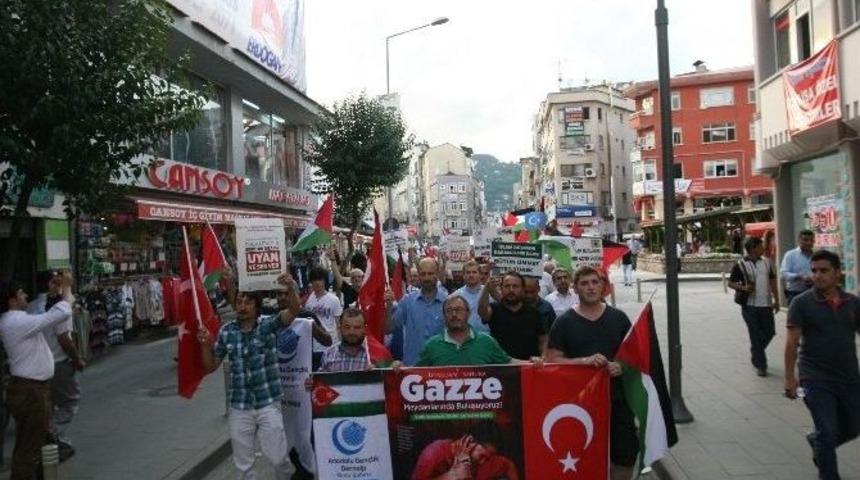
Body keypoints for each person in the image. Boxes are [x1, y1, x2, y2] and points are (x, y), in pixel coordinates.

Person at [198, 273, 301, 479]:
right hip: (239, 406)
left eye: (247, 302)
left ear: (256, 305)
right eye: (238, 302)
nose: (242, 306)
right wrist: (205, 345)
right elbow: (210, 367)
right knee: (243, 465)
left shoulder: (268, 324)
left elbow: (293, 310)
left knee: (278, 457)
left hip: (267, 402)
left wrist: (291, 289)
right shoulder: (227, 332)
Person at [544, 266, 638, 480]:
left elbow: (635, 356)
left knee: (626, 457)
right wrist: (583, 362)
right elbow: (552, 360)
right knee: (582, 460)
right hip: (579, 407)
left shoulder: (619, 318)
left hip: (618, 402)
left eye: (595, 282)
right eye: (584, 283)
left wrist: (621, 366)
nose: (591, 287)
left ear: (603, 286)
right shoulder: (564, 322)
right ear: (575, 288)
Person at [784, 250, 860, 480]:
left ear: (837, 273)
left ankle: (818, 443)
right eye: (814, 270)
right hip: (814, 377)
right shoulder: (801, 303)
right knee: (828, 430)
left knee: (853, 427)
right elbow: (791, 343)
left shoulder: (853, 303)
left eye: (824, 271)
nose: (817, 275)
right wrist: (790, 378)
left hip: (849, 376)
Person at [0, 273, 75, 479]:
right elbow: (59, 314)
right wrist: (66, 290)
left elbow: (45, 314)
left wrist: (53, 294)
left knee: (37, 441)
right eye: (21, 293)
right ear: (12, 300)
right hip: (30, 390)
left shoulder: (17, 319)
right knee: (29, 447)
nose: (25, 296)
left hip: (32, 388)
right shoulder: (15, 321)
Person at [27, 270, 85, 461]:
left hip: (37, 365)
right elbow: (64, 339)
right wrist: (77, 359)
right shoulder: (59, 308)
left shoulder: (31, 307)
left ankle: (46, 438)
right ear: (52, 284)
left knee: (48, 404)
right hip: (59, 362)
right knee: (70, 402)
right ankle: (52, 437)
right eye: (58, 281)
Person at [417, 295, 541, 367]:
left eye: (459, 309)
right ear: (444, 316)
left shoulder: (486, 342)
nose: (454, 314)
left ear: (468, 313)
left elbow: (508, 363)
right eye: (449, 311)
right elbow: (413, 374)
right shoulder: (432, 345)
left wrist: (531, 363)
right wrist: (399, 369)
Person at [728, 236, 780, 377]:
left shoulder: (767, 263)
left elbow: (773, 281)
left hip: (766, 304)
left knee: (770, 332)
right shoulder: (740, 265)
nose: (764, 247)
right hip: (749, 306)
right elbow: (731, 283)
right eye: (761, 246)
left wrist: (777, 299)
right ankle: (761, 365)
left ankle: (756, 352)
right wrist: (744, 288)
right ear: (753, 248)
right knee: (755, 334)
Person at [385, 257, 447, 366]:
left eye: (430, 273)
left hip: (439, 368)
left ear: (437, 274)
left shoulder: (448, 302)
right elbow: (388, 329)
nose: (426, 277)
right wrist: (389, 306)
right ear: (418, 275)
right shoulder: (407, 301)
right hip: (413, 369)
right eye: (423, 274)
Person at [411, 420, 519, 480]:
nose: (483, 462)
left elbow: (508, 465)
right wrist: (451, 476)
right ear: (470, 442)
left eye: (487, 458)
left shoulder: (486, 460)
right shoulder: (434, 452)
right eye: (482, 456)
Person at [478, 271, 547, 361]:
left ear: (522, 289)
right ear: (501, 288)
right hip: (501, 365)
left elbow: (543, 340)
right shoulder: (494, 309)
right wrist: (486, 289)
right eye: (507, 286)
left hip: (528, 366)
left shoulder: (534, 313)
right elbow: (483, 312)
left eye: (515, 286)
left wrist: (543, 358)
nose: (511, 290)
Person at [318, 308, 386, 372]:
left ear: (365, 329)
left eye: (357, 327)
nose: (351, 332)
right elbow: (320, 382)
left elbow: (390, 375)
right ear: (340, 328)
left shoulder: (377, 354)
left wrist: (394, 366)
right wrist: (311, 382)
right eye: (347, 327)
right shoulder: (328, 354)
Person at [303, 266, 343, 366]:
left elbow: (338, 324)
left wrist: (341, 344)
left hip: (330, 345)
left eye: (320, 279)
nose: (317, 282)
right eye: (314, 280)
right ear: (311, 282)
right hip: (312, 346)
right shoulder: (307, 300)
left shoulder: (334, 300)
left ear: (324, 280)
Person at [454, 260, 490, 334]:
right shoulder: (456, 296)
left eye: (474, 272)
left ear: (480, 275)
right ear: (463, 276)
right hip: (464, 338)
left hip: (486, 337)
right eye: (468, 272)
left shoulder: (489, 292)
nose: (471, 275)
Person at [781, 229, 815, 305]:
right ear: (799, 240)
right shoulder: (791, 255)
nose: (809, 243)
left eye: (811, 240)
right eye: (805, 240)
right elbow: (784, 274)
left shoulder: (816, 256)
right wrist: (799, 277)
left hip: (813, 293)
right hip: (795, 294)